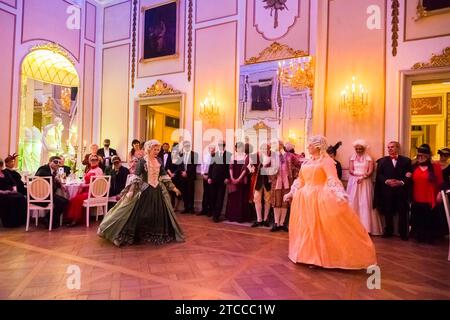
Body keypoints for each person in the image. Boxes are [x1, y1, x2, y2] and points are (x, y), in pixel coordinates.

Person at [284, 135, 377, 269]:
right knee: (306, 227)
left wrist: (339, 194)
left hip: (319, 197)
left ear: (318, 146)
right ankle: (305, 255)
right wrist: (291, 192)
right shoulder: (307, 162)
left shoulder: (327, 162)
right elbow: (300, 180)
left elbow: (332, 179)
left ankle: (317, 258)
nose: (308, 147)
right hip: (304, 198)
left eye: (310, 145)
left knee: (317, 228)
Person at [98, 140, 184, 247]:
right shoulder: (142, 162)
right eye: (155, 149)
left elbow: (164, 176)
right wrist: (130, 191)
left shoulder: (159, 161)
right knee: (137, 213)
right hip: (144, 190)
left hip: (157, 191)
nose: (157, 151)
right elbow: (136, 178)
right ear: (148, 149)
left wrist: (174, 188)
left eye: (158, 149)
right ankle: (122, 234)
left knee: (156, 214)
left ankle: (152, 233)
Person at [374, 141, 412, 240]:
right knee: (388, 211)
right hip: (387, 191)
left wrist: (401, 182)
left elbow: (409, 175)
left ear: (398, 148)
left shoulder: (406, 160)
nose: (390, 149)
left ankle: (403, 233)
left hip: (401, 191)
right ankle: (388, 231)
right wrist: (387, 181)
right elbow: (379, 175)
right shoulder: (382, 161)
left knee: (402, 212)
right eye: (388, 147)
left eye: (392, 147)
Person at [346, 140, 382, 235]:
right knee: (353, 202)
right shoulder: (352, 158)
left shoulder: (369, 158)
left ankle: (366, 227)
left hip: (365, 182)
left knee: (365, 202)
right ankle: (352, 227)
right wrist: (357, 176)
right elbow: (350, 170)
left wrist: (363, 177)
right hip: (354, 182)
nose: (358, 150)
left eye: (360, 148)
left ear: (364, 149)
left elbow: (370, 171)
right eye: (357, 148)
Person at [410, 144, 443, 244]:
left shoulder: (435, 167)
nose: (420, 157)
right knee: (418, 218)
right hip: (417, 198)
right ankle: (419, 236)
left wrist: (439, 194)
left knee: (430, 219)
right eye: (418, 155)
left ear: (428, 156)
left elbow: (441, 182)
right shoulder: (413, 167)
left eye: (423, 155)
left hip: (430, 198)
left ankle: (430, 237)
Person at [66, 155, 104, 226]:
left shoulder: (99, 170)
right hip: (86, 191)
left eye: (95, 160)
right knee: (72, 198)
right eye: (92, 160)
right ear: (89, 161)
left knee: (76, 199)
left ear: (98, 161)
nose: (93, 161)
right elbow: (85, 180)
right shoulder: (90, 169)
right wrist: (82, 184)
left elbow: (98, 184)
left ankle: (75, 220)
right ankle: (72, 218)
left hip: (93, 192)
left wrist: (85, 185)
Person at [270, 140, 299, 232]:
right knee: (276, 202)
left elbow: (298, 165)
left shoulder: (290, 156)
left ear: (281, 145)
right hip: (277, 181)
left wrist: (294, 172)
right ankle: (276, 223)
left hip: (287, 182)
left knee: (285, 202)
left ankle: (282, 223)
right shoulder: (273, 156)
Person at [35, 156, 69, 229]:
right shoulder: (43, 168)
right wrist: (55, 177)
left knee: (65, 201)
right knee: (63, 202)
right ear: (50, 162)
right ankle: (49, 220)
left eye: (59, 162)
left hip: (47, 194)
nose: (58, 164)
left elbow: (54, 183)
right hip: (40, 195)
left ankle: (48, 219)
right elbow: (41, 174)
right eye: (55, 162)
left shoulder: (54, 171)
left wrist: (59, 184)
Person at [225, 142, 250, 223]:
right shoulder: (233, 156)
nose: (239, 149)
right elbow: (230, 168)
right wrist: (232, 177)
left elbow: (245, 170)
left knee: (241, 198)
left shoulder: (246, 157)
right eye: (237, 147)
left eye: (240, 147)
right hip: (233, 180)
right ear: (236, 148)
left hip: (242, 180)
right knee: (233, 199)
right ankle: (232, 217)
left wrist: (239, 179)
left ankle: (240, 218)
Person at [249, 143, 272, 228]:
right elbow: (250, 167)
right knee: (256, 199)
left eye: (266, 149)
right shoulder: (255, 155)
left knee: (268, 200)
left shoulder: (272, 156)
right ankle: (259, 219)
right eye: (263, 148)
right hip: (258, 180)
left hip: (267, 181)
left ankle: (266, 219)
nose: (265, 150)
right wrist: (251, 167)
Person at [208, 141, 231, 222]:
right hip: (213, 179)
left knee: (220, 198)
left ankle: (216, 216)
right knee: (213, 197)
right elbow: (210, 167)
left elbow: (229, 167)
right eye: (220, 145)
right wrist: (209, 177)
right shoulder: (215, 154)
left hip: (222, 180)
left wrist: (227, 177)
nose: (221, 146)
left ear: (224, 146)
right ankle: (214, 213)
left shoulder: (228, 155)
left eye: (223, 145)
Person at [0, 158, 27, 228]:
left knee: (20, 197)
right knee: (11, 199)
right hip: (1, 193)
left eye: (0, 166)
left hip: (10, 191)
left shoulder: (5, 172)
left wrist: (14, 190)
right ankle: (10, 222)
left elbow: (13, 183)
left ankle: (20, 221)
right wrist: (3, 191)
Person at [178, 141, 198, 214]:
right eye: (185, 145)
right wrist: (182, 172)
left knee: (191, 192)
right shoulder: (181, 155)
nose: (186, 147)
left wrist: (187, 172)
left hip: (190, 176)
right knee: (184, 192)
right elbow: (179, 165)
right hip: (183, 177)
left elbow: (194, 165)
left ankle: (191, 208)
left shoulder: (194, 154)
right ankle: (186, 208)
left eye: (187, 145)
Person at [199, 144, 215, 216]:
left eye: (213, 149)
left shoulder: (216, 157)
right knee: (205, 193)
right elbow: (202, 165)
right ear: (208, 149)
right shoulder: (205, 156)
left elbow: (214, 168)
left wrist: (210, 176)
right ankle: (204, 210)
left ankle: (210, 211)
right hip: (205, 176)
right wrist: (203, 174)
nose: (211, 150)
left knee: (211, 194)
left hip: (211, 177)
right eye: (210, 149)